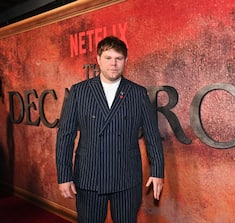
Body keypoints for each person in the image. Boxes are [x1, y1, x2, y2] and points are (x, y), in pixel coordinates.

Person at [56, 36, 164, 223]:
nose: (113, 64)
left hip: (126, 177)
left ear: (125, 61)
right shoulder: (79, 91)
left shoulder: (137, 93)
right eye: (108, 58)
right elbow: (65, 135)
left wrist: (157, 171)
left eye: (118, 58)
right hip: (89, 175)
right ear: (98, 59)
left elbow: (152, 135)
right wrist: (64, 175)